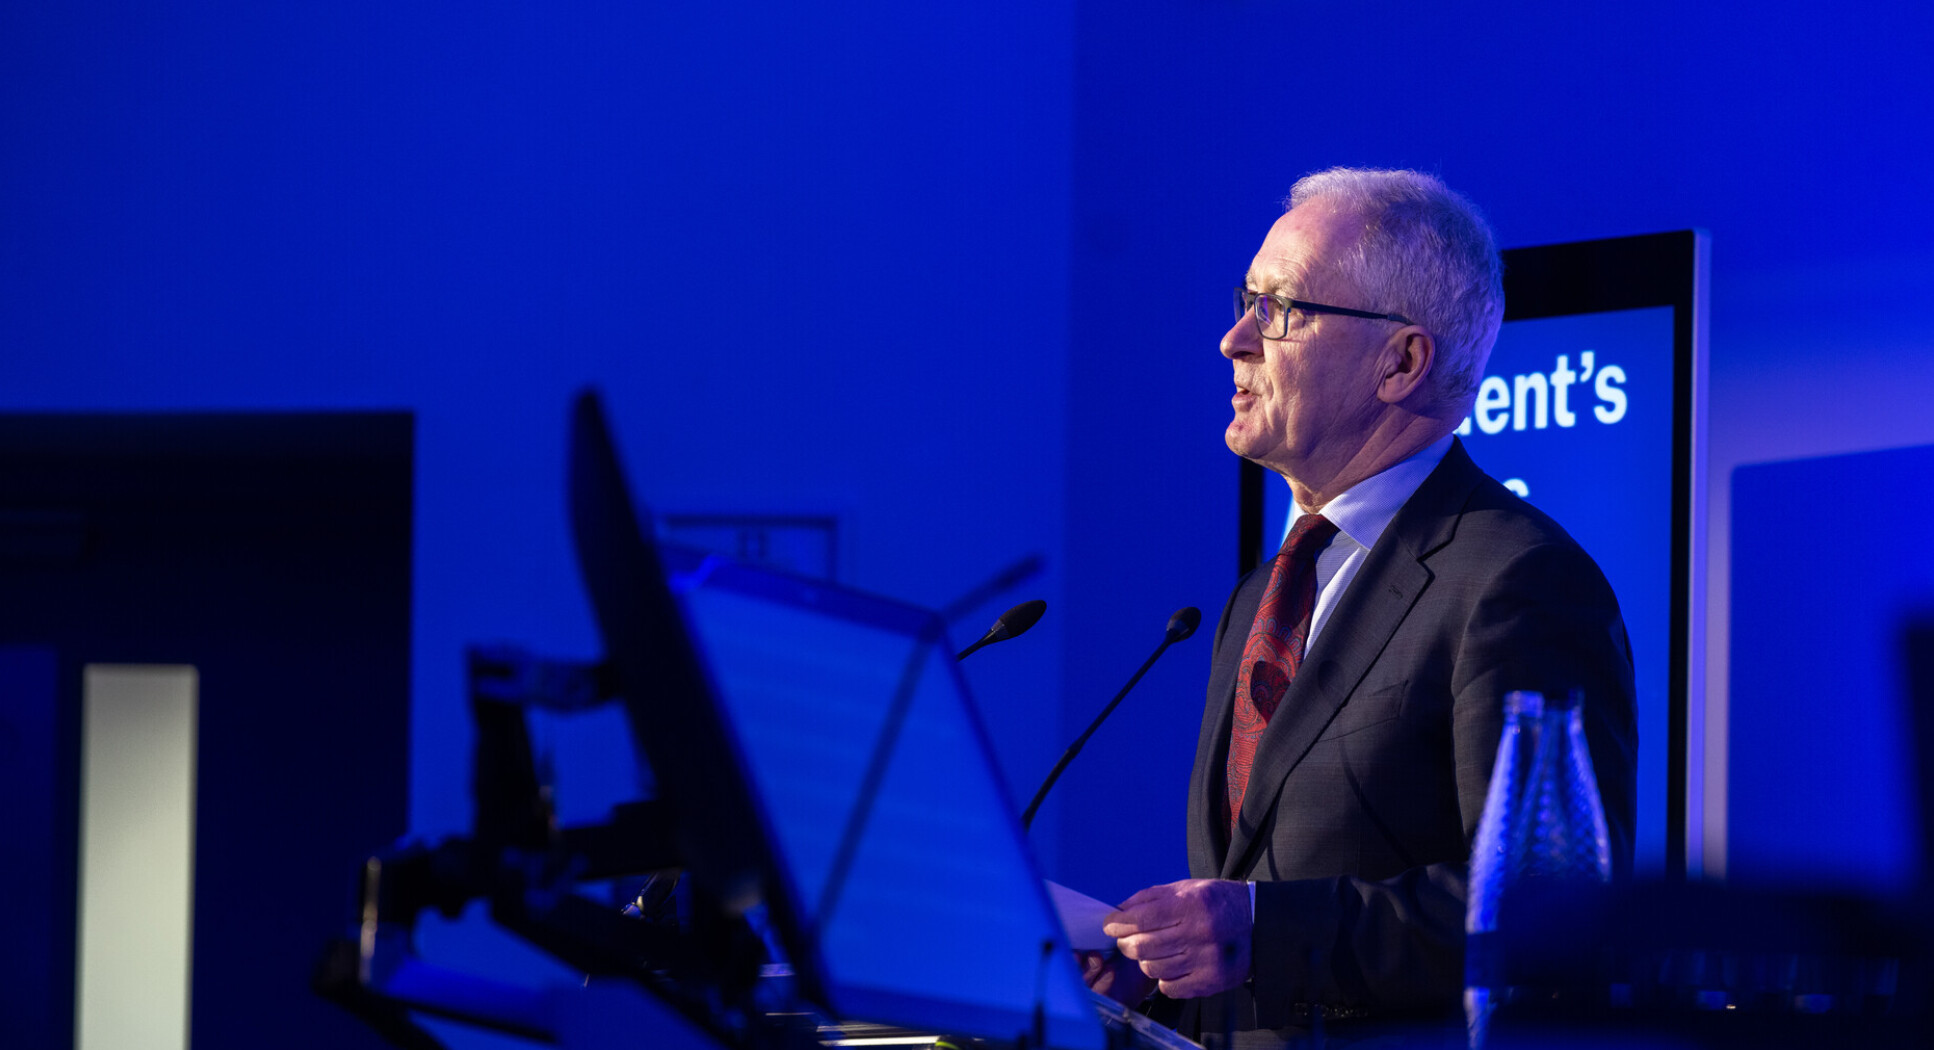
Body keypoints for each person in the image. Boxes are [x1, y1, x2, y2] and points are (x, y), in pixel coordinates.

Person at [1085, 168, 1638, 1047]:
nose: (1234, 340)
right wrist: (1157, 977)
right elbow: (1262, 897)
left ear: (1403, 361)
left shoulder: (1516, 579)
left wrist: (1263, 931)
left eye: (1280, 310)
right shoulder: (1255, 598)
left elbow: (1547, 913)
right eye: (1245, 301)